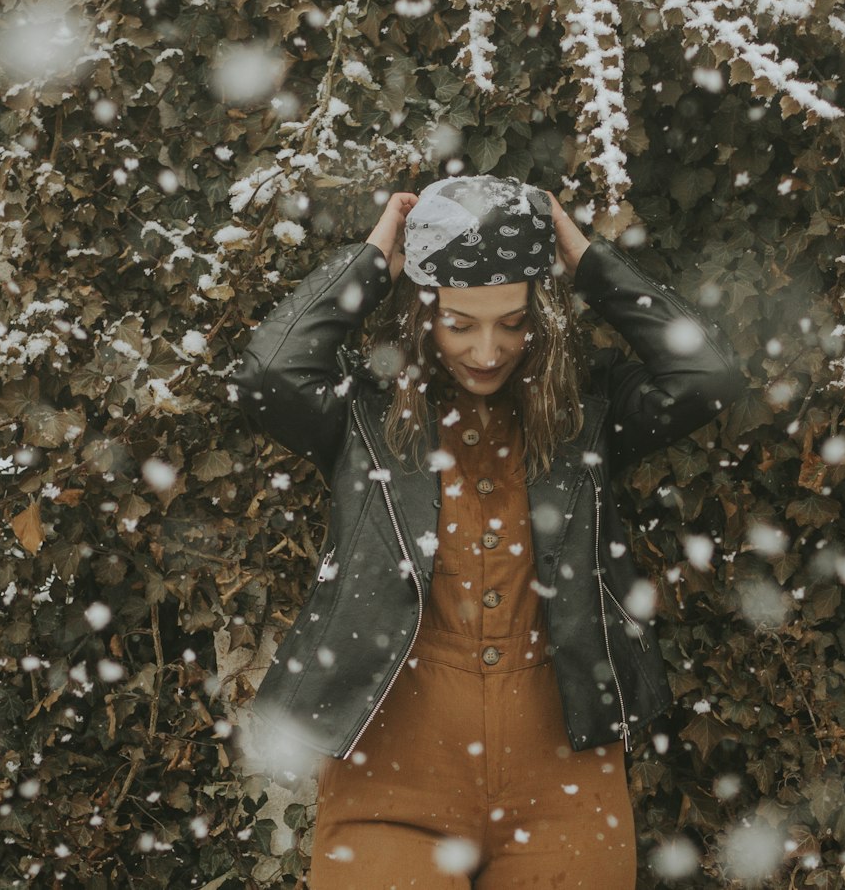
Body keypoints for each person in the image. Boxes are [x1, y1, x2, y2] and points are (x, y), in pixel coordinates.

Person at [230, 174, 745, 889]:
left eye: (512, 320)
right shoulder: (363, 412)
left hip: (563, 786)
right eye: (460, 322)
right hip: (389, 786)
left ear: (545, 312)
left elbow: (707, 374)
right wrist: (378, 257)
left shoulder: (585, 409)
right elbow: (267, 377)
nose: (486, 349)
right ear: (420, 314)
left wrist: (583, 256)